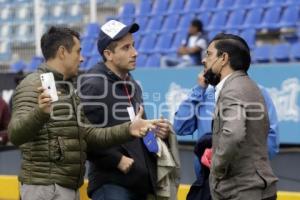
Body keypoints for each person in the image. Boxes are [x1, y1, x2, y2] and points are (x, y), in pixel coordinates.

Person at [8, 26, 158, 200]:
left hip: (67, 187)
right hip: (44, 189)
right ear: (62, 52)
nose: (82, 58)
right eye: (78, 52)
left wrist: (128, 129)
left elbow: (88, 134)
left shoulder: (68, 89)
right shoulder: (32, 84)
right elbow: (15, 135)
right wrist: (40, 112)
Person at [80, 20, 178, 200]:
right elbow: (81, 135)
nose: (135, 53)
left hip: (138, 183)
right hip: (112, 184)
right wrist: (116, 160)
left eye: (133, 45)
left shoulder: (131, 83)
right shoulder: (93, 84)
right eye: (126, 48)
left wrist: (155, 132)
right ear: (108, 54)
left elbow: (136, 127)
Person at [199, 33, 278, 200]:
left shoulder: (233, 90)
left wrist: (216, 166)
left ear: (224, 58)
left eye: (209, 54)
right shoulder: (249, 86)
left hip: (241, 192)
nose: (203, 60)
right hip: (256, 189)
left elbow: (234, 134)